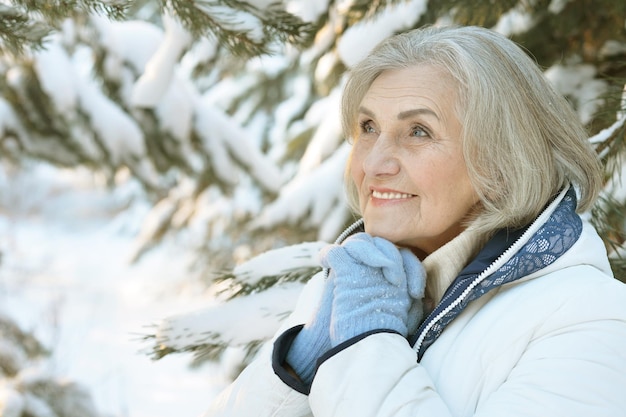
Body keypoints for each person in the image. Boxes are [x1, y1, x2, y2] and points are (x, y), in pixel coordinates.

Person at [205, 25, 626, 417]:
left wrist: (364, 344)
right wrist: (300, 368)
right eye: (368, 127)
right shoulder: (356, 283)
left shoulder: (595, 320)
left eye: (418, 131)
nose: (372, 163)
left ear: (503, 162)